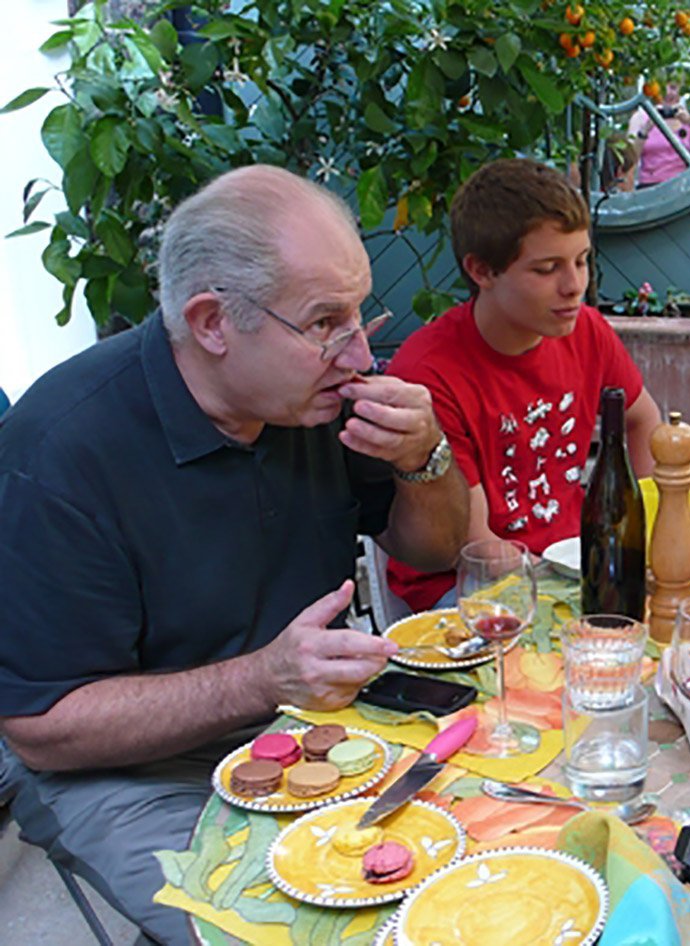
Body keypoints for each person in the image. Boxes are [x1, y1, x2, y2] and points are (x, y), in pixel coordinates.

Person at [0, 165, 468, 943]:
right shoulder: (61, 452)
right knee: (290, 931)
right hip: (133, 771)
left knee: (479, 862)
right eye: (325, 323)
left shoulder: (313, 400)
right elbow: (42, 726)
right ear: (213, 323)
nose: (359, 355)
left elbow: (434, 546)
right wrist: (263, 678)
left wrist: (427, 456)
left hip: (320, 720)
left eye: (361, 315)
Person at [386, 158, 659, 611]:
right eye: (547, 268)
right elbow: (481, 545)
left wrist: (639, 533)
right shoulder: (429, 373)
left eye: (582, 260)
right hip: (463, 583)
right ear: (482, 271)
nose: (574, 286)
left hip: (569, 560)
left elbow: (643, 418)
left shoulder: (586, 331)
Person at [624, 86, 690, 189]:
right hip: (649, 185)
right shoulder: (640, 118)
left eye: (674, 87)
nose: (669, 94)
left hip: (681, 185)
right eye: (664, 89)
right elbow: (629, 159)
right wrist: (646, 129)